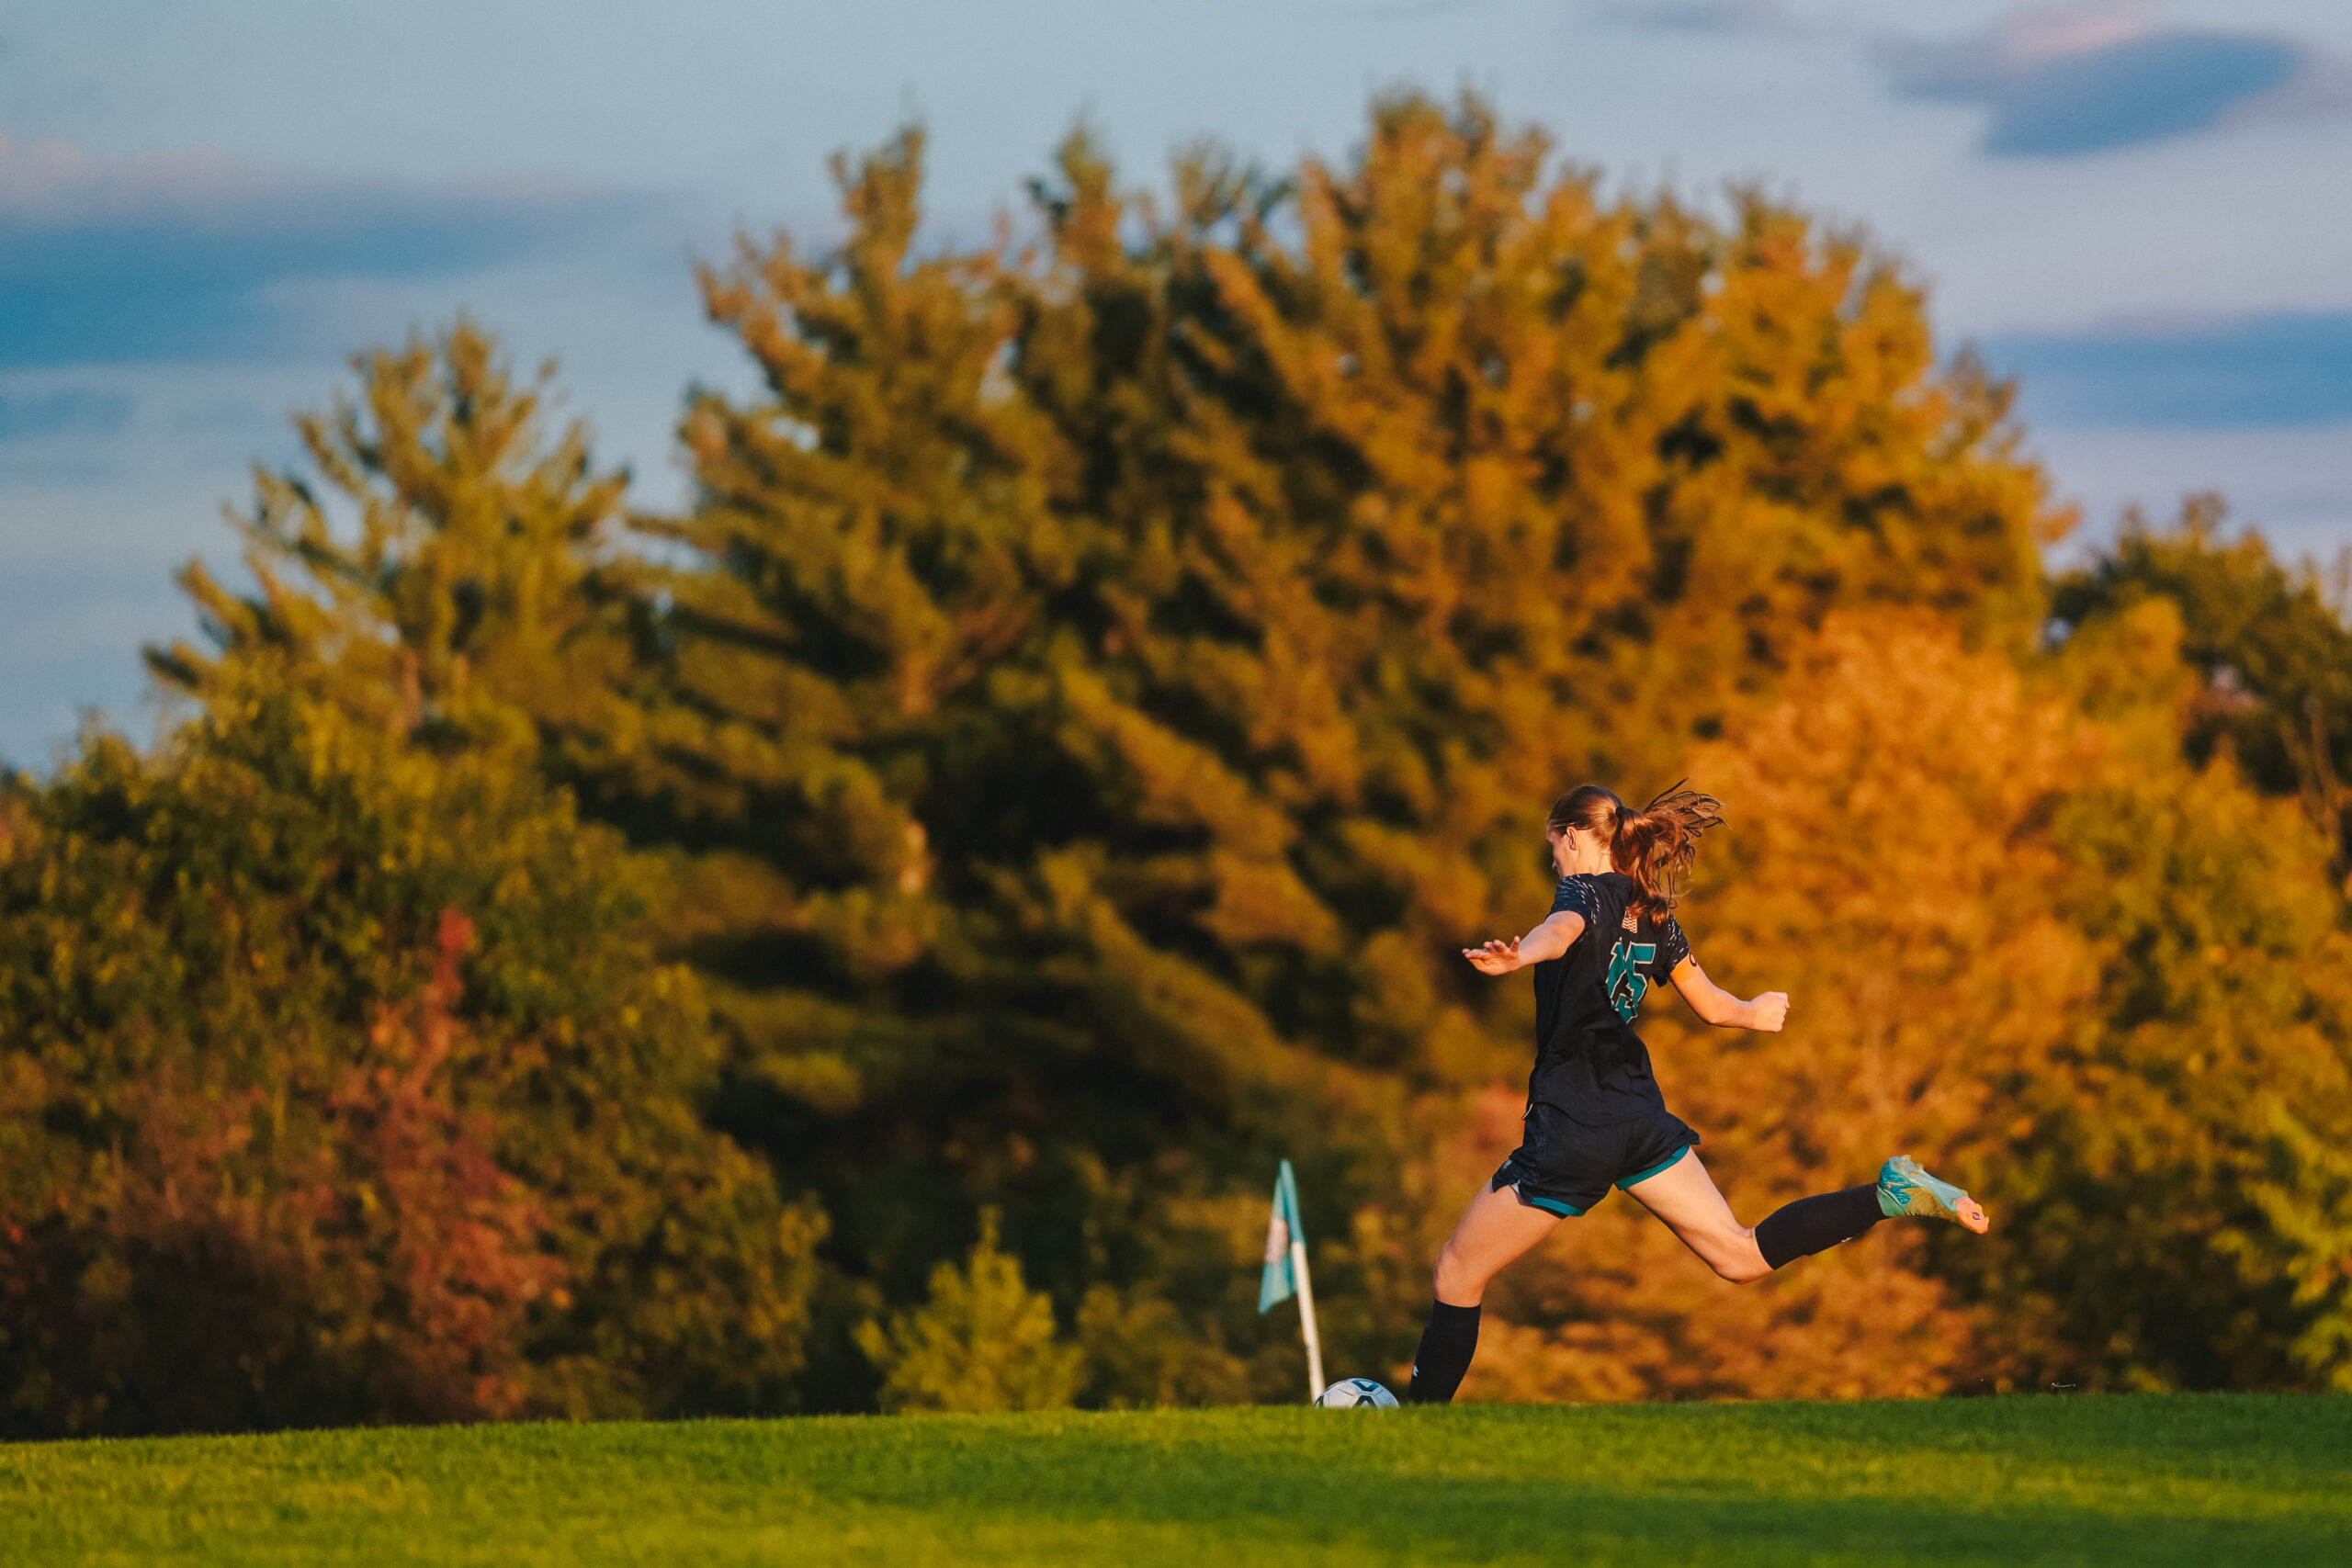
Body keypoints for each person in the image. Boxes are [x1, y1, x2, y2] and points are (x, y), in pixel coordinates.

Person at [1405, 782, 1988, 1405]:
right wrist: (1754, 1011)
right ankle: (1887, 1193)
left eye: (1553, 847)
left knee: (1457, 1271)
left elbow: (1562, 928)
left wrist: (1522, 956)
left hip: (1574, 1127)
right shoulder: (1655, 912)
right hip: (1639, 1117)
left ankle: (1415, 1428)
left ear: (1572, 836)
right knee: (1740, 1256)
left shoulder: (1580, 891)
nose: (1555, 861)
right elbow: (1712, 1006)